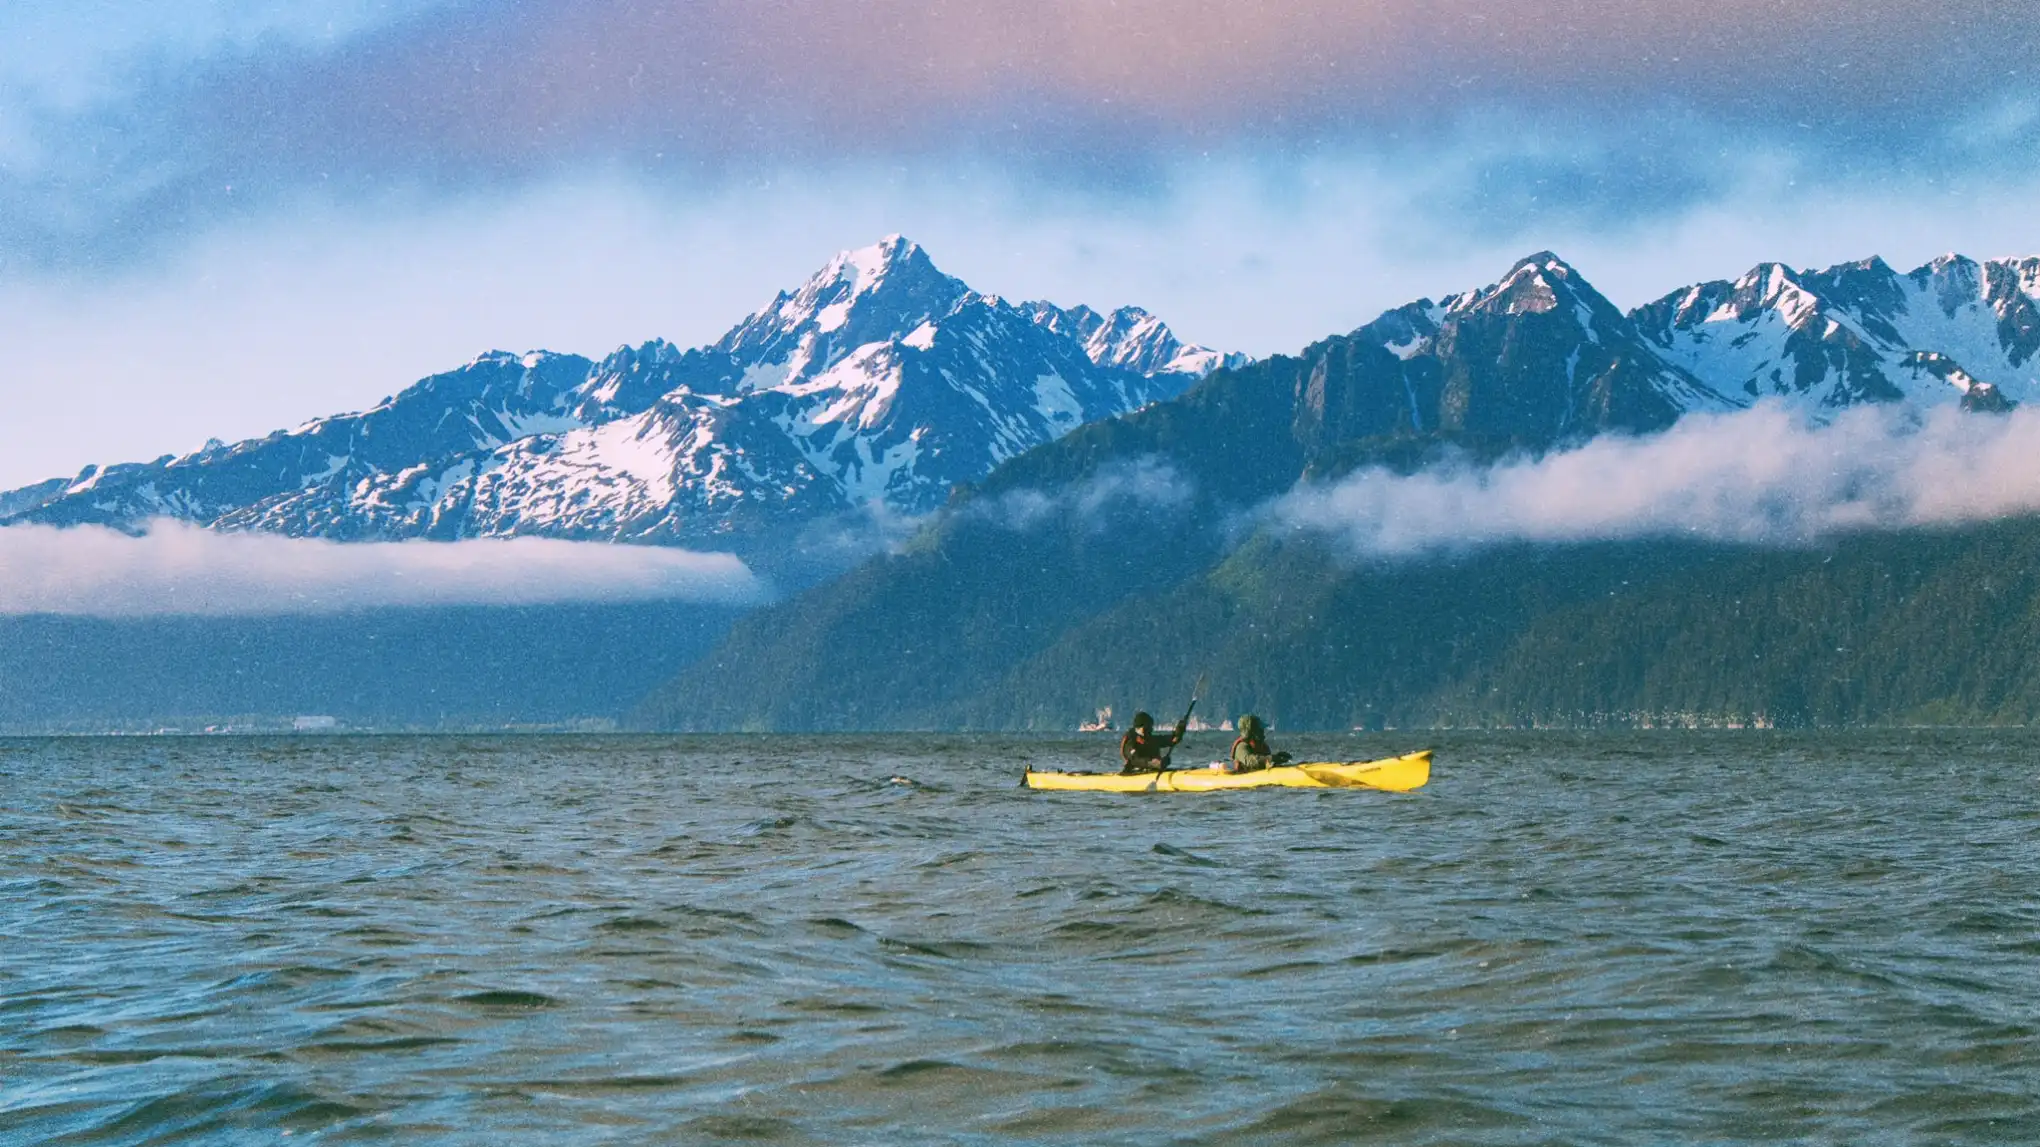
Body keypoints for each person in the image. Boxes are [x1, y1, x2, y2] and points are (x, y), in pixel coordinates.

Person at [1119, 710, 1185, 774]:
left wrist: (1178, 733)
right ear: (1142, 728)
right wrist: (1155, 763)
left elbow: (1168, 740)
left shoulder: (1149, 739)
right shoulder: (1130, 742)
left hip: (1154, 769)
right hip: (1135, 772)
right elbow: (1135, 760)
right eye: (1149, 727)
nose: (1151, 729)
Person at [1228, 714, 1292, 773]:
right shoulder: (1241, 747)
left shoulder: (1263, 746)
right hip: (1243, 778)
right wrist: (1270, 758)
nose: (1263, 732)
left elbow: (1266, 762)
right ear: (1251, 732)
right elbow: (1250, 761)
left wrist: (1278, 758)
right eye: (1260, 730)